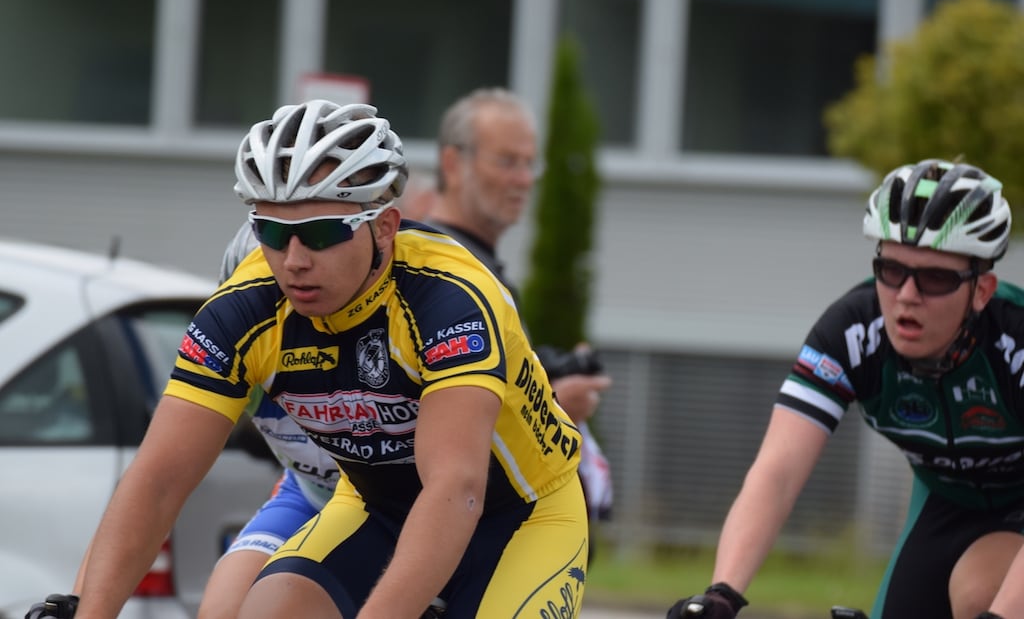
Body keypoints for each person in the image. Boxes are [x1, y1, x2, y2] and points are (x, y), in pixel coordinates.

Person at [59, 99, 588, 619]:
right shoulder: (244, 308)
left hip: (518, 517)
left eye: (321, 233)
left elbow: (457, 487)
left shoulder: (449, 297)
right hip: (374, 507)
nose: (294, 261)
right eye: (271, 231)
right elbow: (157, 483)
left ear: (384, 227)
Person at [667, 159, 1024, 619]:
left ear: (981, 291)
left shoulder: (1014, 340)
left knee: (980, 595)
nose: (907, 295)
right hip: (945, 501)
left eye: (935, 278)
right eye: (891, 270)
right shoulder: (852, 332)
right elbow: (777, 473)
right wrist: (723, 594)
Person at [421, 86, 614, 522]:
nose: (525, 179)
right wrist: (553, 407)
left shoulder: (477, 262)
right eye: (507, 161)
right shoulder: (439, 265)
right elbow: (437, 416)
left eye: (530, 164)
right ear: (452, 164)